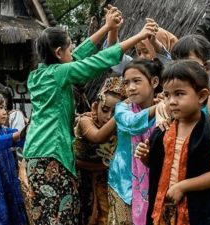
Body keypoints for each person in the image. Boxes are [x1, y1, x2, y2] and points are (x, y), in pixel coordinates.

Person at [23, 7, 158, 224]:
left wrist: (107, 27)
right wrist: (140, 36)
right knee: (60, 215)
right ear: (58, 53)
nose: (73, 52)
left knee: (47, 215)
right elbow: (95, 62)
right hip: (51, 154)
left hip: (35, 154)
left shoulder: (38, 75)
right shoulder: (60, 73)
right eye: (69, 49)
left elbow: (78, 56)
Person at [156, 34, 210, 224]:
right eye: (177, 62)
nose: (182, 68)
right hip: (180, 181)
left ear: (205, 67)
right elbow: (161, 128)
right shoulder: (169, 102)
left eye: (188, 62)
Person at [136, 60, 210, 225]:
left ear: (201, 96)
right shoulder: (163, 131)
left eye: (179, 94)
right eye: (167, 95)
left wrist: (183, 186)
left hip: (197, 210)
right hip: (164, 208)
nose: (171, 101)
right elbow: (155, 165)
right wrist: (144, 156)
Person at [108, 59, 163, 225]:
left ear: (154, 82)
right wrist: (160, 107)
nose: (131, 88)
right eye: (127, 83)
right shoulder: (122, 109)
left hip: (155, 182)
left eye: (137, 81)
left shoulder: (166, 111)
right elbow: (133, 123)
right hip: (123, 182)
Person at [74, 76, 126, 224]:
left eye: (116, 112)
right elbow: (97, 137)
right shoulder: (85, 122)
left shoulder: (121, 129)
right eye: (105, 109)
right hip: (81, 180)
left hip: (105, 182)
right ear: (95, 107)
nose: (109, 116)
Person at [0, 93, 28, 224]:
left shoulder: (5, 130)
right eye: (0, 107)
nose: (5, 112)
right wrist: (16, 136)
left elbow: (22, 138)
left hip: (10, 186)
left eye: (4, 108)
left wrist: (30, 129)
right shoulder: (7, 135)